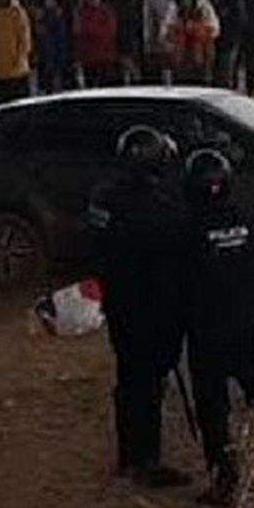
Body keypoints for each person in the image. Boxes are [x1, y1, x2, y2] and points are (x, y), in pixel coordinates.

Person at [85, 126, 196, 489]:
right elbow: (177, 247)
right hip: (150, 306)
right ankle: (146, 460)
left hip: (118, 303)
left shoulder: (103, 197)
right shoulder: (152, 205)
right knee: (147, 383)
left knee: (129, 380)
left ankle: (129, 455)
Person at [180, 148, 254, 505]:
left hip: (207, 334)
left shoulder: (184, 230)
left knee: (213, 410)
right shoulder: (249, 221)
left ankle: (225, 479)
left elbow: (173, 287)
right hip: (248, 329)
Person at [164, 0, 220, 84]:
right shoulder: (173, 12)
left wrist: (197, 29)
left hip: (200, 57)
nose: (186, 4)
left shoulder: (204, 9)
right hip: (180, 59)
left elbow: (214, 31)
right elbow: (166, 33)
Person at [72, 0, 119, 88]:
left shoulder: (106, 11)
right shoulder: (80, 12)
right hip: (87, 60)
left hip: (105, 59)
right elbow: (76, 35)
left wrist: (88, 32)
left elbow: (109, 33)